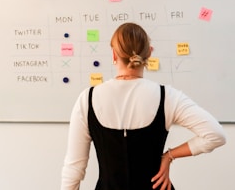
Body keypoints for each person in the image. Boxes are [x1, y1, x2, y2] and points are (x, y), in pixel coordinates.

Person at [61, 22, 226, 190]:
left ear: (114, 55)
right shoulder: (167, 97)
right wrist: (169, 156)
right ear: (149, 53)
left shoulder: (87, 99)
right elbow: (215, 135)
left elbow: (74, 169)